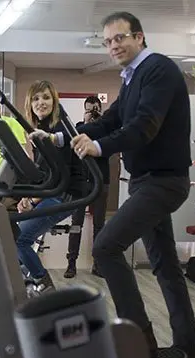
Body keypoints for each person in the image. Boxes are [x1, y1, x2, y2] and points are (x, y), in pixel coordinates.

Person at [47, 11, 195, 358]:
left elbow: (144, 126)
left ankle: (140, 342)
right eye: (108, 41)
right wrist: (57, 137)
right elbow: (109, 122)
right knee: (165, 266)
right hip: (147, 182)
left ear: (139, 37)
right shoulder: (132, 79)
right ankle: (187, 350)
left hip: (163, 182)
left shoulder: (158, 69)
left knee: (105, 247)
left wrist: (99, 148)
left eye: (120, 38)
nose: (114, 45)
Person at [15, 80, 87, 290]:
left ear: (54, 101)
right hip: (57, 191)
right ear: (29, 103)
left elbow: (57, 174)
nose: (41, 103)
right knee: (16, 234)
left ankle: (44, 285)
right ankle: (20, 281)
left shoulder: (56, 129)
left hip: (65, 193)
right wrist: (25, 196)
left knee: (21, 239)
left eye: (46, 97)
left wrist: (33, 199)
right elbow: (43, 172)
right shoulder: (41, 129)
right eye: (36, 99)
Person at [64, 95, 111, 278]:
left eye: (95, 109)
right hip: (82, 182)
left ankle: (98, 264)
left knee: (99, 224)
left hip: (101, 181)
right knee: (76, 223)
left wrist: (98, 124)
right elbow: (74, 144)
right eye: (88, 109)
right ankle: (71, 263)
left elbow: (108, 148)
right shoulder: (78, 128)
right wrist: (86, 122)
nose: (92, 112)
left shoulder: (106, 129)